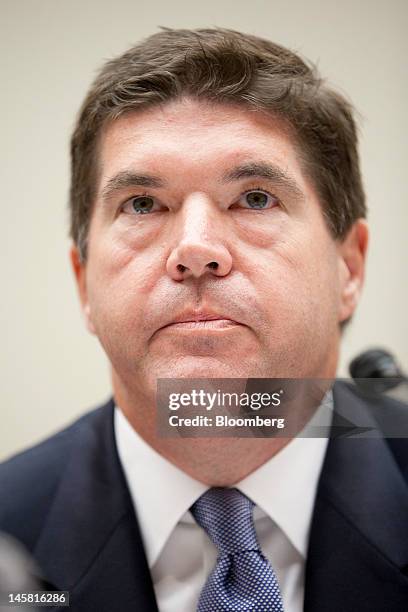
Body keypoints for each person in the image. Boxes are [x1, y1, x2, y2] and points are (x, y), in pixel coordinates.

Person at [1, 27, 408, 612]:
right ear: (83, 282)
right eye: (142, 204)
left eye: (256, 197)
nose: (194, 249)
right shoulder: (8, 536)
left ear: (348, 268)